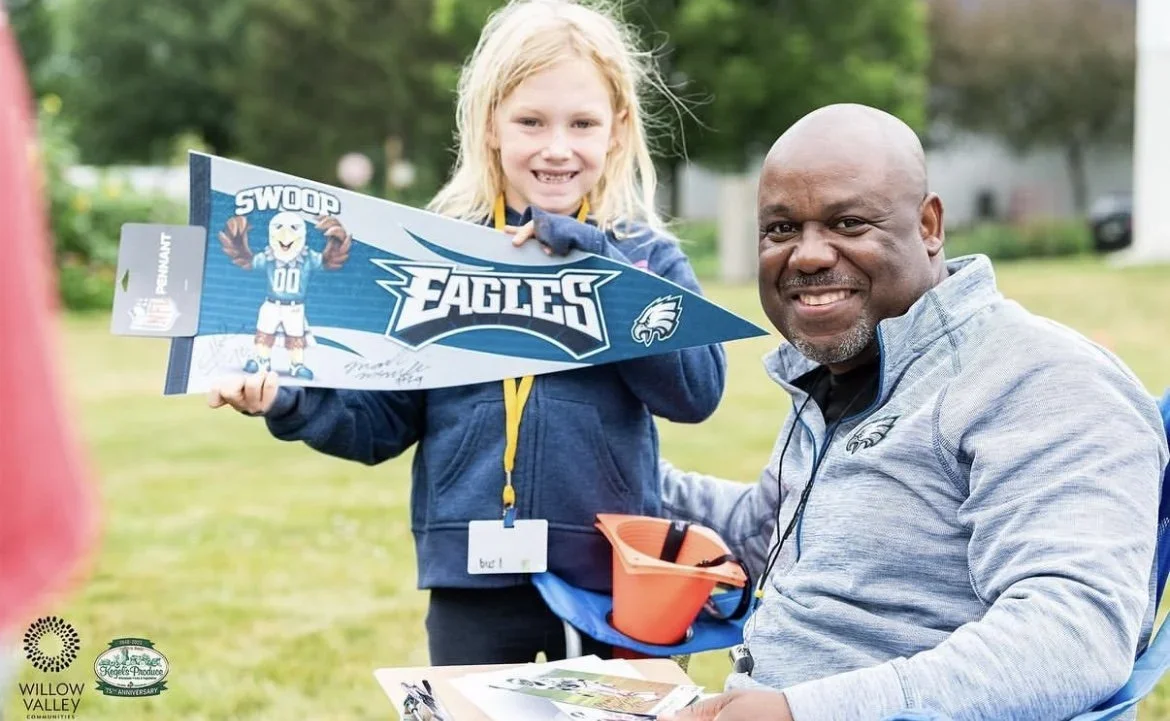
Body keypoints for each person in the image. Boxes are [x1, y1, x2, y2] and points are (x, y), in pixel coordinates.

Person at [208, 0, 726, 666]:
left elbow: (697, 390)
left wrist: (599, 266)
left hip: (610, 583)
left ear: (618, 130)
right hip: (471, 583)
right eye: (531, 121)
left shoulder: (645, 260)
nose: (557, 147)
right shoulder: (436, 257)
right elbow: (379, 421)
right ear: (490, 125)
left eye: (583, 122)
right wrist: (288, 399)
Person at [655, 103, 1169, 721]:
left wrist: (799, 712)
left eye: (846, 223)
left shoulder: (1039, 378)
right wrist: (599, 469)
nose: (808, 255)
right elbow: (762, 529)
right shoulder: (847, 376)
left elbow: (1072, 635)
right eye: (781, 230)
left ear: (929, 225)